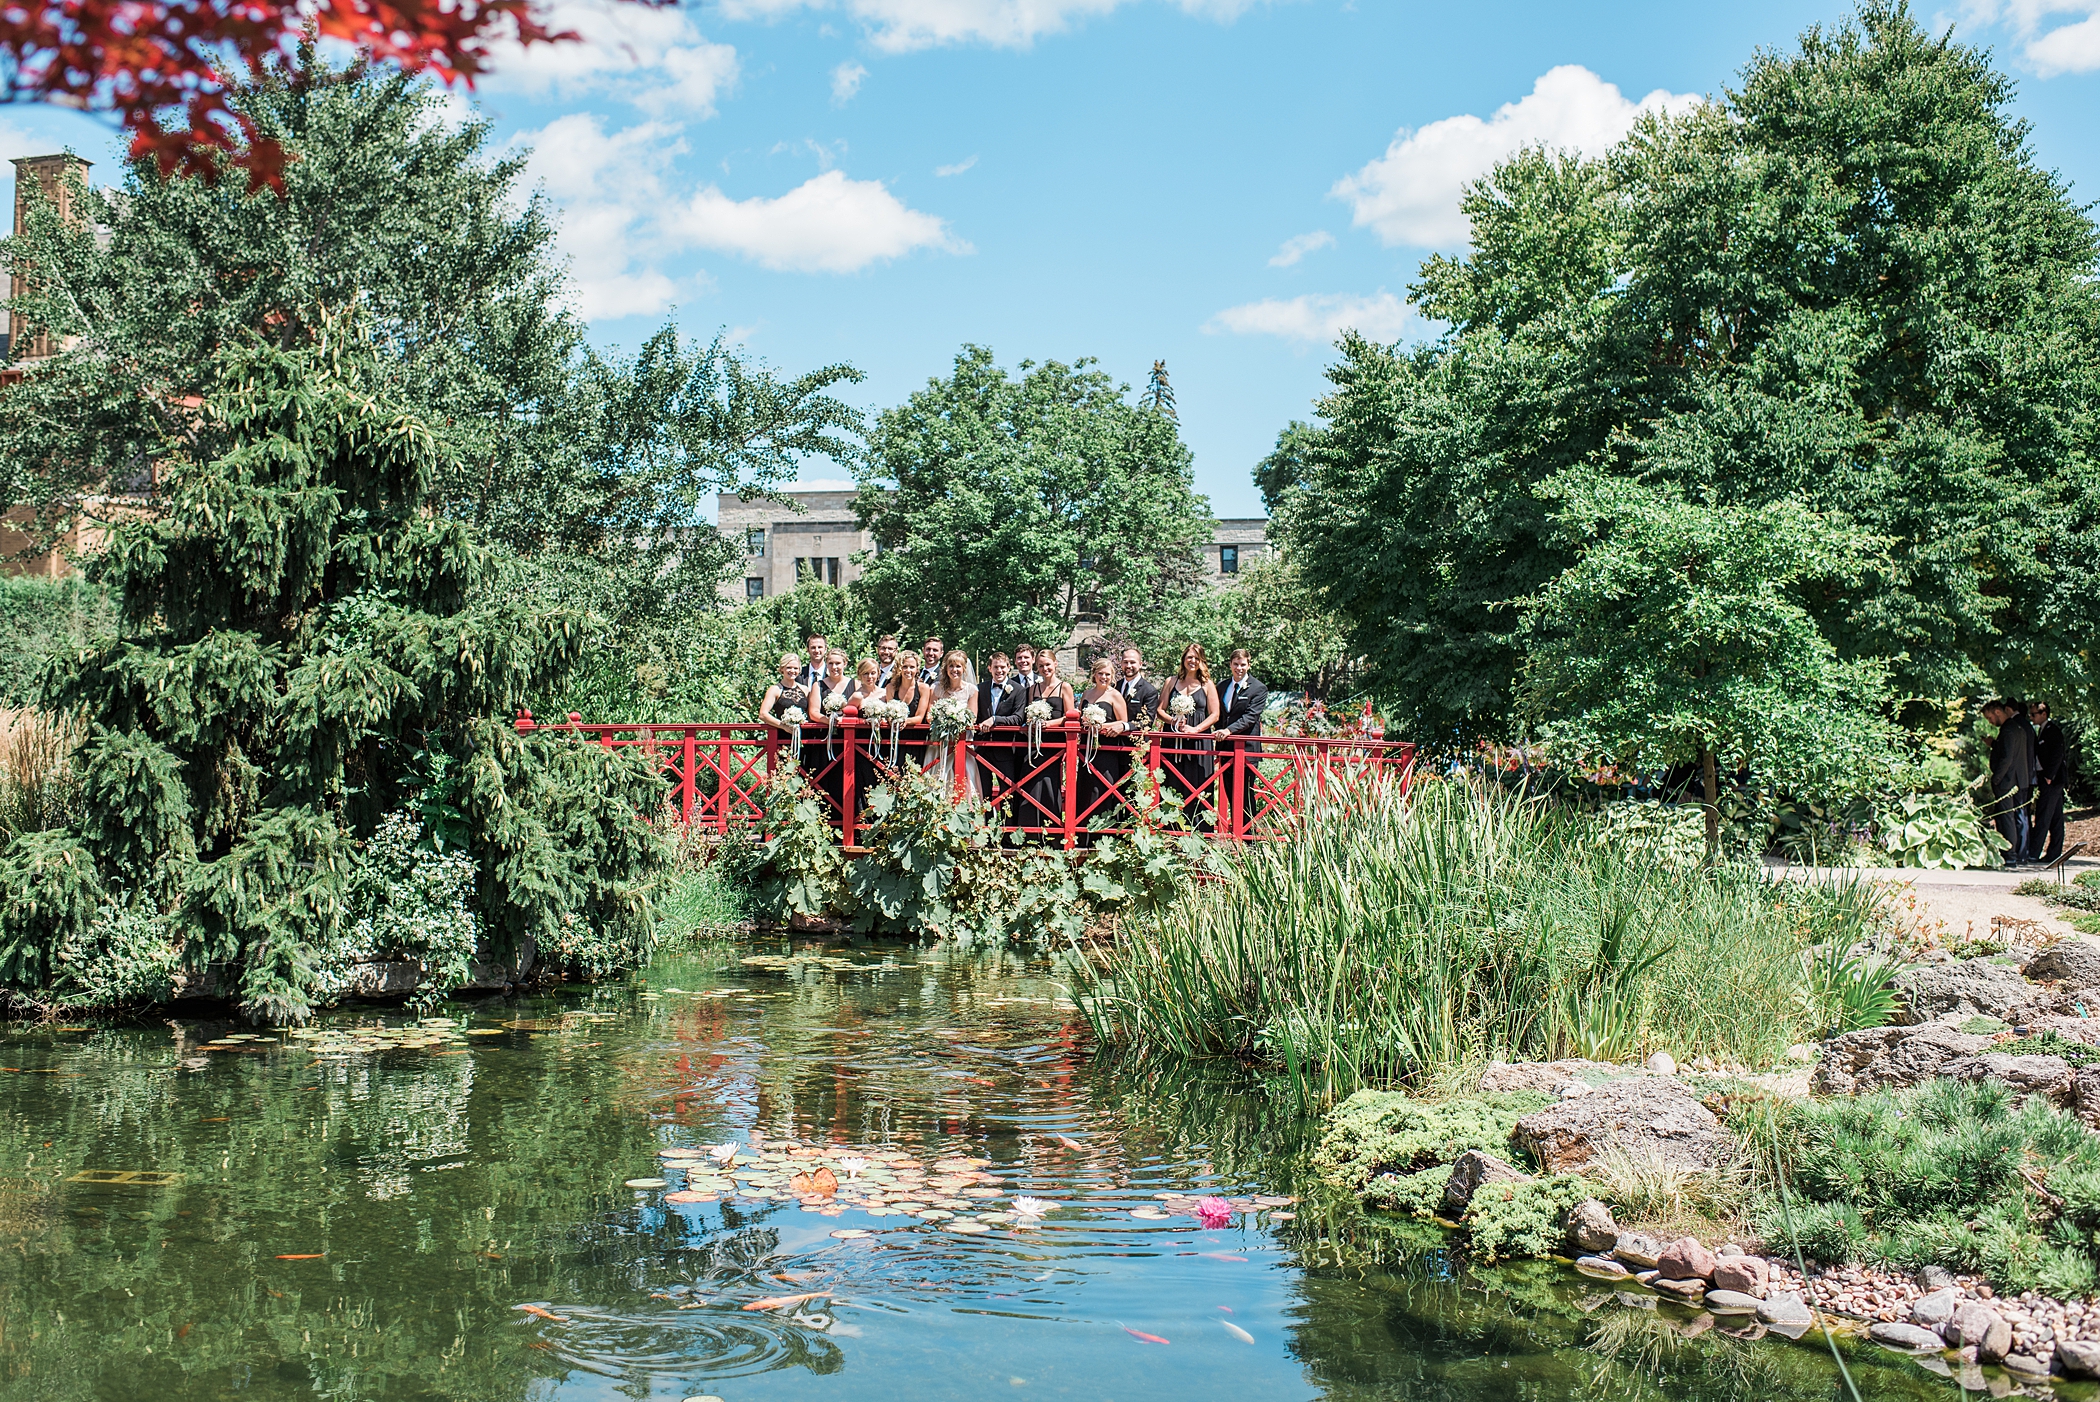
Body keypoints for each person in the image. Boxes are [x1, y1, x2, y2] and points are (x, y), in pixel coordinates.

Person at [1160, 643, 1220, 827]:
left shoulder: (1207, 684)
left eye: (1196, 658)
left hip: (1199, 741)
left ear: (1201, 661)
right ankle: (1171, 827)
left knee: (1197, 782)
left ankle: (1200, 828)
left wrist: (1196, 729)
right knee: (1172, 780)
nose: (1192, 661)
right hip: (1173, 739)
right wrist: (1173, 721)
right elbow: (1160, 710)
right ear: (1183, 659)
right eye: (1189, 657)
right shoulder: (1171, 681)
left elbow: (1215, 714)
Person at [1019, 647, 1076, 839]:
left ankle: (1052, 833)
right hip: (1034, 744)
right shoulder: (1033, 689)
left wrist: (1049, 723)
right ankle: (1030, 832)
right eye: (1041, 666)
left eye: (1048, 665)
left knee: (1050, 784)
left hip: (1054, 745)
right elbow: (1026, 714)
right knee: (1030, 783)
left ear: (1055, 664)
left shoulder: (1064, 687)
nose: (1045, 669)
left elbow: (1070, 716)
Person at [1077, 656, 1133, 842]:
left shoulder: (1115, 695)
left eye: (1107, 674)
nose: (1104, 677)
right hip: (1085, 750)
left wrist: (1101, 725)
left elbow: (1123, 723)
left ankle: (1103, 837)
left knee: (1103, 791)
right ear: (1094, 675)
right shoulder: (1086, 694)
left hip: (1106, 751)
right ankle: (1083, 836)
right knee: (1085, 790)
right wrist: (1085, 722)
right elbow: (1078, 718)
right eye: (1100, 673)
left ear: (1113, 676)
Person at [1216, 648, 1269, 832]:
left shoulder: (1259, 688)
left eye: (1243, 665)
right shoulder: (1222, 686)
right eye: (1236, 664)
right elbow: (1218, 715)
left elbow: (1250, 717)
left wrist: (1229, 730)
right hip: (1225, 748)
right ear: (1230, 664)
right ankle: (1234, 833)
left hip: (1246, 749)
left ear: (1249, 665)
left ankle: (1249, 838)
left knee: (1246, 794)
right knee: (1230, 793)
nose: (1239, 668)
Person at [1986, 698, 2037, 868]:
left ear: (1998, 712)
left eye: (1990, 718)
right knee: (2016, 818)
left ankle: (2010, 854)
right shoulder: (2019, 729)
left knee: (2007, 818)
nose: (1990, 722)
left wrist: (1996, 778)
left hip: (2007, 781)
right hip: (2019, 780)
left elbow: (2007, 758)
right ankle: (2015, 854)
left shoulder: (2008, 730)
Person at [923, 649, 981, 798]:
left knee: (962, 777)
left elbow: (972, 717)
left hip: (962, 742)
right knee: (936, 776)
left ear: (964, 669)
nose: (954, 670)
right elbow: (930, 715)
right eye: (951, 666)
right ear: (946, 668)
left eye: (958, 666)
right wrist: (944, 721)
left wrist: (956, 721)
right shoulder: (936, 688)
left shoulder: (971, 690)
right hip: (939, 742)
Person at [975, 650, 1024, 817]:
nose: (999, 671)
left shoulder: (1018, 690)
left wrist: (995, 720)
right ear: (989, 668)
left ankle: (1006, 834)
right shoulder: (980, 688)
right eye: (996, 667)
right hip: (981, 748)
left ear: (1009, 668)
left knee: (1008, 792)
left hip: (1006, 748)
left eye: (1003, 667)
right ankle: (985, 832)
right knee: (983, 792)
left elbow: (1018, 718)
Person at [2032, 700, 2069, 865]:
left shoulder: (2052, 731)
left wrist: (2049, 776)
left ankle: (2034, 852)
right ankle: (2054, 853)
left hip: (2052, 781)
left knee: (2044, 815)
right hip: (2048, 779)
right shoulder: (2043, 730)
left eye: (2034, 714)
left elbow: (2057, 754)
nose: (2032, 717)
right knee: (2055, 817)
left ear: (2044, 714)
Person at [758, 652, 814, 762]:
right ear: (782, 669)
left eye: (795, 668)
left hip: (804, 738)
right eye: (789, 668)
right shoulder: (775, 689)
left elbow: (811, 713)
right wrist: (783, 726)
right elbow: (763, 714)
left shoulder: (805, 689)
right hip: (783, 738)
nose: (792, 671)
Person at [1117, 646, 1160, 732]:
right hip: (1112, 741)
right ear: (1121, 663)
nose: (1129, 666)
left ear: (1140, 664)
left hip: (1135, 742)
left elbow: (1148, 721)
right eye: (1125, 662)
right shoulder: (1114, 686)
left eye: (1132, 662)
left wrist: (1125, 727)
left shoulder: (1149, 691)